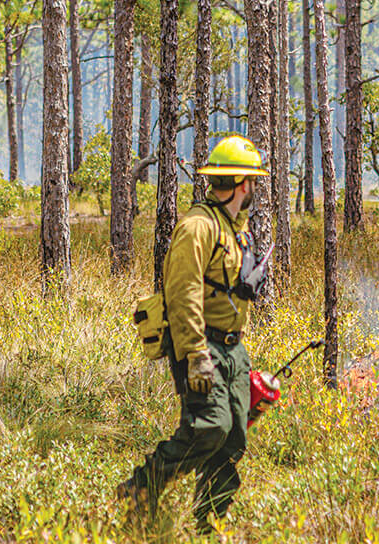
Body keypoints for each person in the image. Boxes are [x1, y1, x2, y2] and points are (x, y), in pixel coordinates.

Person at [118, 135, 270, 534]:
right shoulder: (197, 227)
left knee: (234, 438)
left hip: (234, 351)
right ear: (241, 184)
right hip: (202, 346)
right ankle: (141, 487)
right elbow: (182, 295)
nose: (255, 188)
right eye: (253, 181)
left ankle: (211, 526)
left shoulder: (234, 226)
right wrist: (195, 355)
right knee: (210, 427)